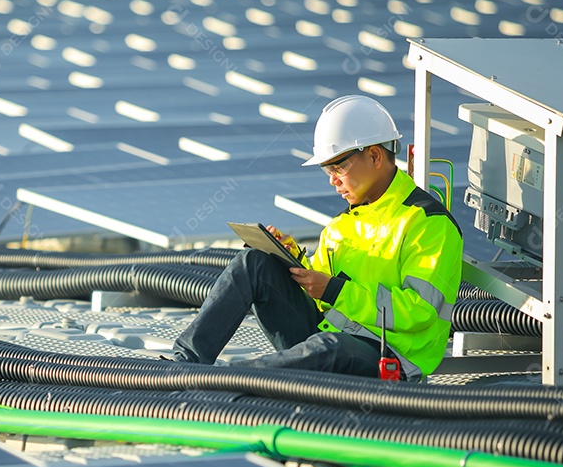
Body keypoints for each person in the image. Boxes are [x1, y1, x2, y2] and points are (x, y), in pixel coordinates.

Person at [172, 94, 463, 381]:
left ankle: (221, 380)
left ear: (374, 155)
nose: (332, 179)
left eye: (339, 167)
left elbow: (418, 312)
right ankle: (185, 363)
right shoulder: (342, 224)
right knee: (254, 261)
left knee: (329, 347)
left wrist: (333, 290)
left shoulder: (428, 223)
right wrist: (292, 260)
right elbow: (323, 295)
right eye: (328, 169)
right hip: (328, 338)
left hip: (389, 356)